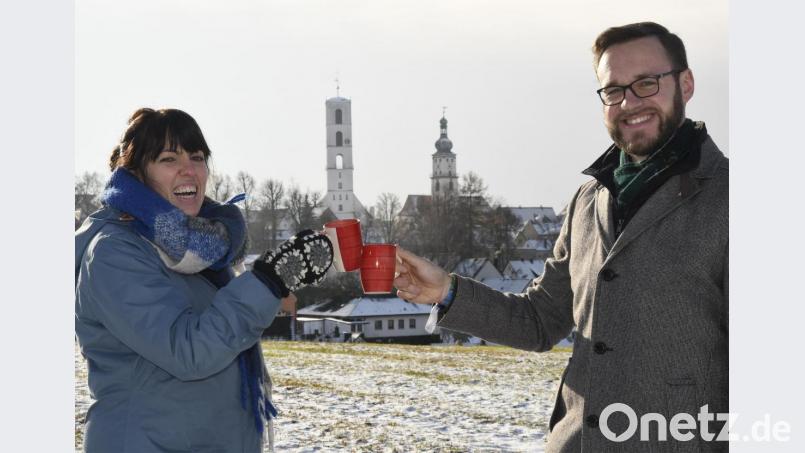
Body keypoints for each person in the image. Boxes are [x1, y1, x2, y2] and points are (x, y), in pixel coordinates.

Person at [394, 22, 727, 452]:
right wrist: (446, 290)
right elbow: (540, 320)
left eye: (646, 83)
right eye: (614, 90)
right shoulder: (589, 200)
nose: (629, 103)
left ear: (686, 84)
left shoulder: (734, 198)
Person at [75, 108, 334, 452]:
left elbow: (219, 330)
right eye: (169, 159)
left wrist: (271, 285)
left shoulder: (201, 248)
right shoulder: (115, 254)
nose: (189, 169)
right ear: (136, 174)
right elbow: (189, 351)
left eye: (197, 157)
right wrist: (268, 282)